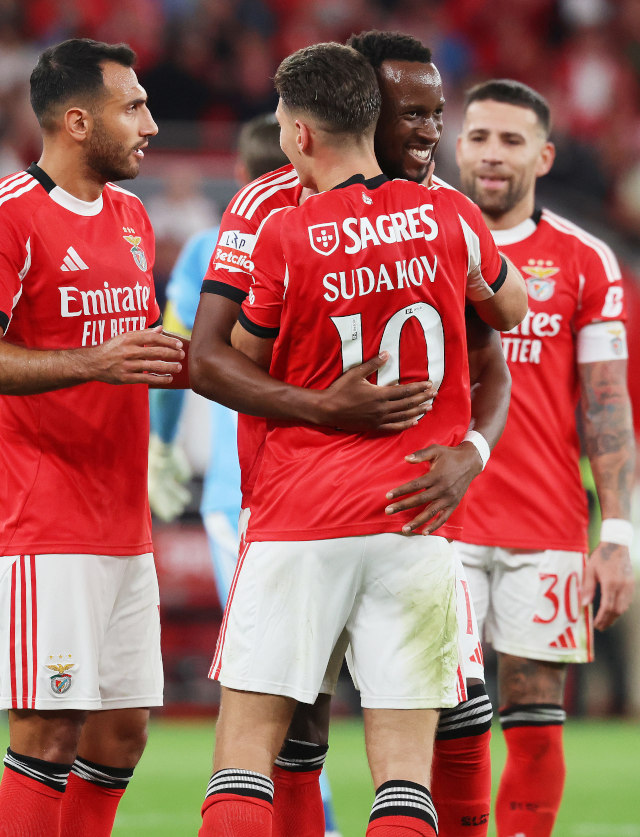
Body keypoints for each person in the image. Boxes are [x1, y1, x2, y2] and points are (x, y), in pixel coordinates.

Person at [190, 30, 521, 837]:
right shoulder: (449, 215)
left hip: (306, 512)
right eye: (413, 114)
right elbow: (506, 316)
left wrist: (461, 452)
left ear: (305, 128)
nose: (428, 132)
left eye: (437, 115)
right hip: (410, 521)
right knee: (395, 773)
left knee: (245, 757)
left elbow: (233, 357)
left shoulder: (288, 231)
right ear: (367, 110)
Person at [0, 38, 186, 837]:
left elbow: (133, 351)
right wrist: (93, 360)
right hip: (45, 519)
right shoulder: (12, 216)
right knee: (48, 731)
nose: (149, 122)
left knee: (121, 733)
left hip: (125, 520)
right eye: (132, 106)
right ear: (78, 121)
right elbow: (95, 357)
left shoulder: (134, 216)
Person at [147, 113, 344, 835]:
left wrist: (162, 450)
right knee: (310, 672)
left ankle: (299, 812)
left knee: (269, 674)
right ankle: (312, 812)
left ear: (240, 178)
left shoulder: (210, 244)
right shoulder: (345, 232)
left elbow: (176, 358)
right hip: (333, 487)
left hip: (245, 492)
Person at [453, 79, 635, 837]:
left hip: (548, 523)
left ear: (545, 154)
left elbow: (607, 402)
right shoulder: (421, 238)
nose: (494, 155)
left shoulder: (586, 260)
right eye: (481, 137)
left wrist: (619, 532)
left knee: (535, 710)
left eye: (512, 140)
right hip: (440, 520)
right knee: (447, 714)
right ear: (457, 146)